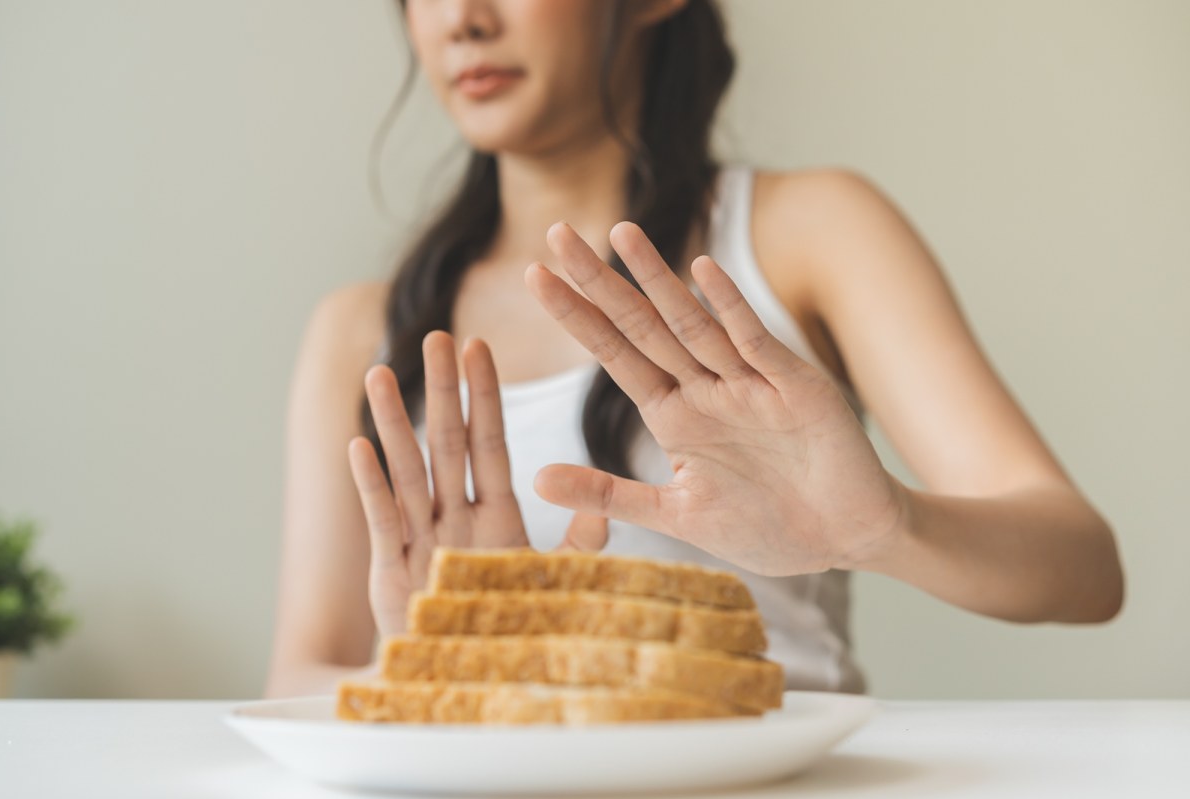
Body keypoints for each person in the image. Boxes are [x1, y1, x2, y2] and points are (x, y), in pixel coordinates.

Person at [264, 0, 1123, 698]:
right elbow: (299, 676)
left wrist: (885, 527)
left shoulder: (812, 232)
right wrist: (475, 652)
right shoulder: (359, 330)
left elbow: (1083, 568)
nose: (461, 18)